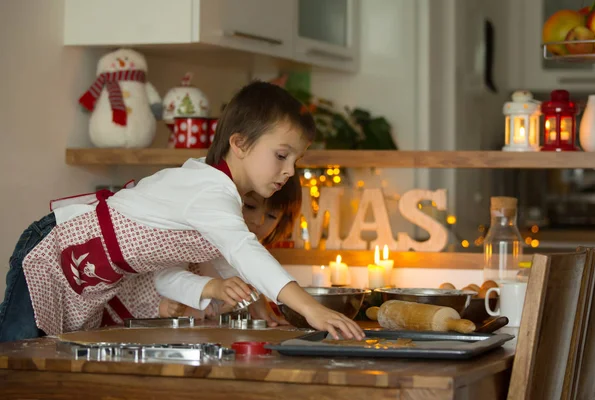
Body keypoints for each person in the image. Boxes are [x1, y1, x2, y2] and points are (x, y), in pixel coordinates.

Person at [0, 81, 364, 342]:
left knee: (34, 359)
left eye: (296, 161)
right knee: (13, 358)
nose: (289, 171)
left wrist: (262, 309)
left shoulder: (220, 195)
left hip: (90, 275)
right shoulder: (209, 191)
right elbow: (243, 251)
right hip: (53, 249)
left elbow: (229, 260)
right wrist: (310, 307)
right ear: (239, 143)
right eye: (281, 155)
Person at [105, 174, 302, 327]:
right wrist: (216, 288)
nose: (257, 221)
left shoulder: (240, 248)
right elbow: (166, 279)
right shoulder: (203, 223)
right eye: (250, 207)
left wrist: (248, 302)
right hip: (133, 316)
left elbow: (233, 279)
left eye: (270, 216)